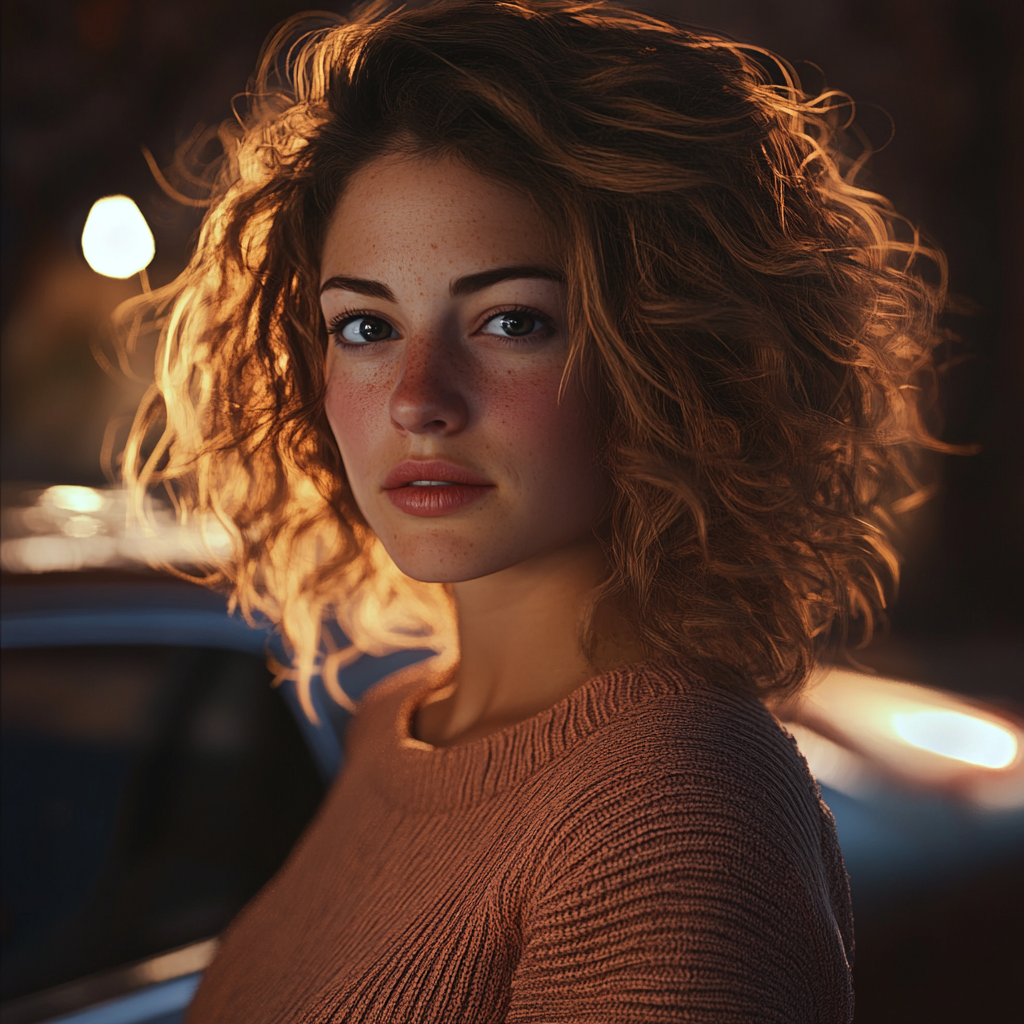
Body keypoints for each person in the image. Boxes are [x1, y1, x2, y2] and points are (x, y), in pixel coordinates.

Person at [123, 1, 948, 1019]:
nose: (419, 397)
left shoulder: (671, 817)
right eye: (367, 324)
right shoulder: (402, 723)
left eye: (512, 320)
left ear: (667, 357)